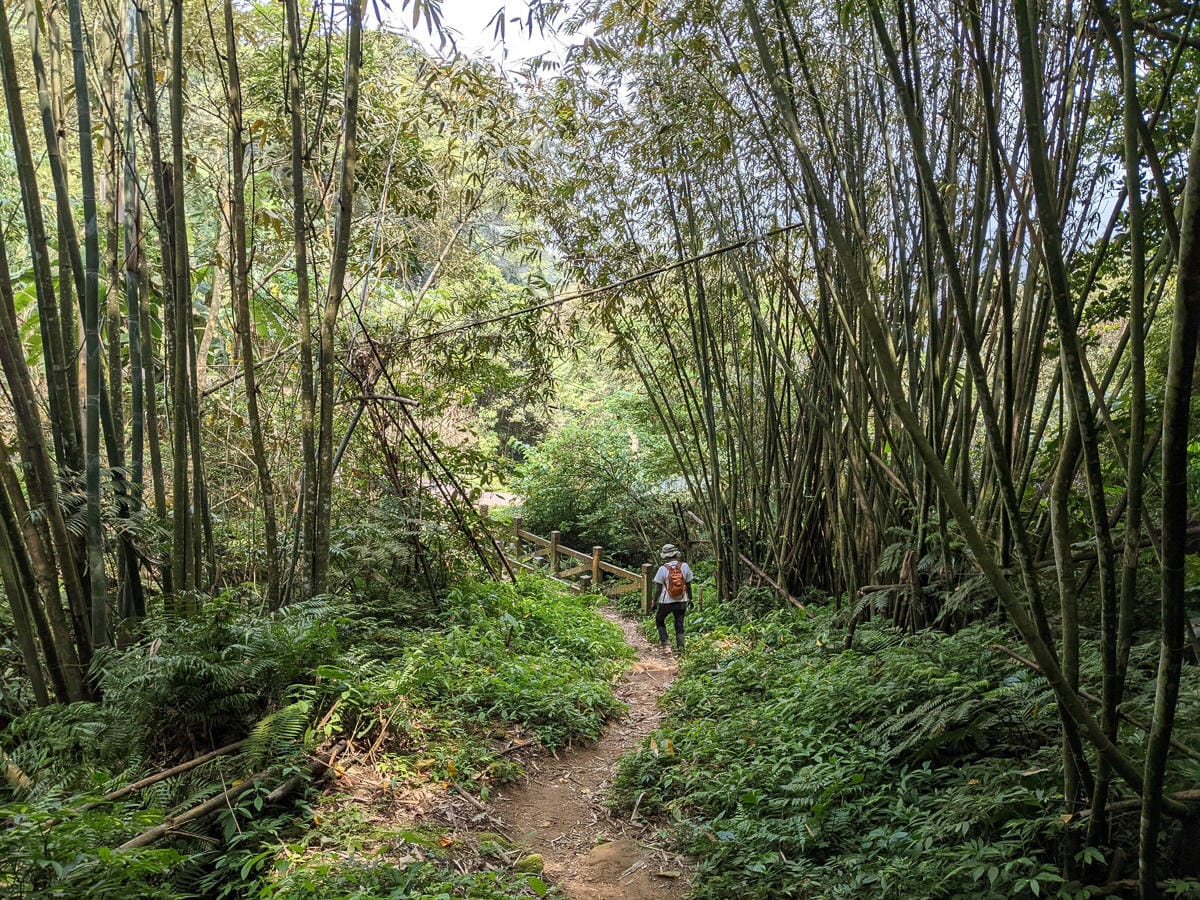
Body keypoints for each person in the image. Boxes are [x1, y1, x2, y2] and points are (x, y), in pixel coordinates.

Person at [653, 543, 692, 651]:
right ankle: (681, 648)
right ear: (675, 554)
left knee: (659, 620)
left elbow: (658, 589)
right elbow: (688, 584)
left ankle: (666, 643)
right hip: (682, 600)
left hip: (666, 601)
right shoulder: (684, 566)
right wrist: (690, 598)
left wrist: (654, 601)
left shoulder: (663, 569)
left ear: (665, 556)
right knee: (679, 623)